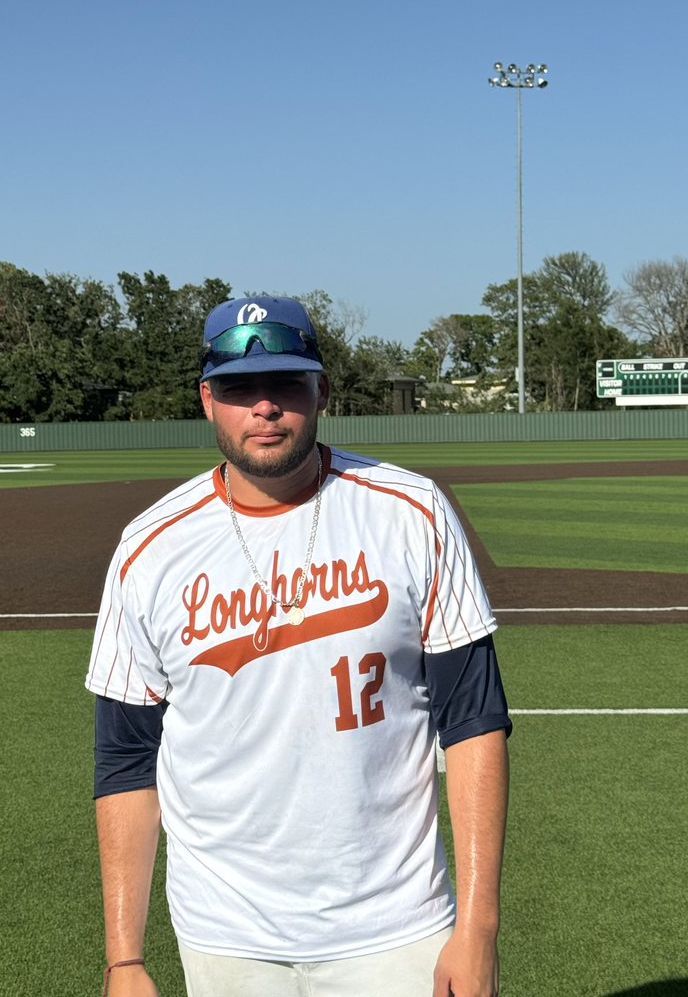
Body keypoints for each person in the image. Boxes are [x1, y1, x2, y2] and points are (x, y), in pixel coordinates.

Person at [86, 294, 512, 997]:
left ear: (321, 391)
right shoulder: (149, 550)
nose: (264, 406)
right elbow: (126, 759)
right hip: (224, 935)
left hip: (396, 925)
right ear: (206, 400)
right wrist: (124, 958)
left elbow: (472, 719)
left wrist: (479, 928)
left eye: (285, 382)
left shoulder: (411, 512)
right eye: (238, 388)